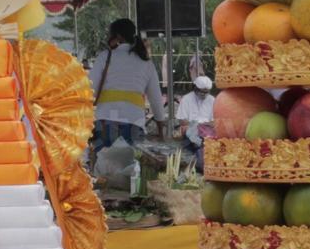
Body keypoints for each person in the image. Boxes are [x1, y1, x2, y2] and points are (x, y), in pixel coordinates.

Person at [88, 18, 165, 149]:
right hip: (134, 122)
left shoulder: (105, 56)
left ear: (117, 36)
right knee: (130, 167)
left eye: (110, 34)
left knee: (103, 166)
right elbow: (156, 99)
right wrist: (160, 130)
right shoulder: (146, 63)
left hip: (105, 122)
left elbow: (90, 90)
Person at [174, 75, 216, 168]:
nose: (204, 94)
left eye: (206, 92)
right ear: (195, 89)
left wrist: (202, 126)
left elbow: (215, 122)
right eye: (202, 92)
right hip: (190, 132)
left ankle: (203, 164)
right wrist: (197, 126)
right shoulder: (186, 99)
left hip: (208, 134)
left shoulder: (212, 100)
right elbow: (183, 121)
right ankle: (198, 164)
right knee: (191, 135)